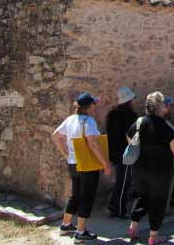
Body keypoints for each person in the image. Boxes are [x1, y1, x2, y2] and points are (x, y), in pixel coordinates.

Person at [127, 92, 174, 244]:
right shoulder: (166, 125)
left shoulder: (140, 122)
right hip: (161, 170)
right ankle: (153, 236)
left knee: (141, 196)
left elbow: (129, 137)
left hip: (140, 167)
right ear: (160, 107)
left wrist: (138, 148)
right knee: (158, 200)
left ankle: (133, 226)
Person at [52, 93, 112, 242]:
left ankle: (65, 224)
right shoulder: (89, 121)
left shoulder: (70, 119)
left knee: (75, 195)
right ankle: (81, 231)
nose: (95, 106)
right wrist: (105, 163)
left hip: (73, 162)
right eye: (94, 104)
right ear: (89, 106)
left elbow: (56, 136)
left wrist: (66, 154)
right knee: (87, 196)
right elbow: (92, 143)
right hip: (88, 164)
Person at [106, 86, 138, 219]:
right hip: (125, 153)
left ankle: (113, 204)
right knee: (124, 181)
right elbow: (131, 135)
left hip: (114, 152)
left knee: (121, 180)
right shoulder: (130, 116)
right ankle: (119, 210)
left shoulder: (112, 114)